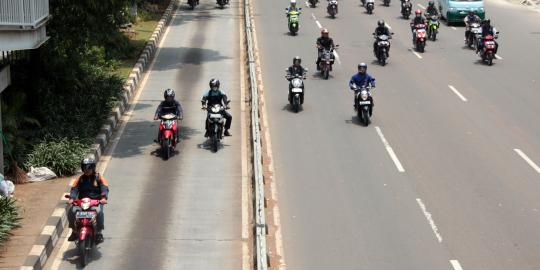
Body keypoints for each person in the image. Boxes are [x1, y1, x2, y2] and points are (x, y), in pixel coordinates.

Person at [67, 158, 109, 243]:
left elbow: (105, 188)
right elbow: (74, 189)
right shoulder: (80, 179)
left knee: (100, 213)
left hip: (95, 202)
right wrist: (72, 198)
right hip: (82, 202)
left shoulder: (99, 178)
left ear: (93, 168)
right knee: (71, 211)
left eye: (89, 167)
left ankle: (99, 233)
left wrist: (104, 198)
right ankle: (74, 231)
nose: (87, 170)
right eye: (84, 168)